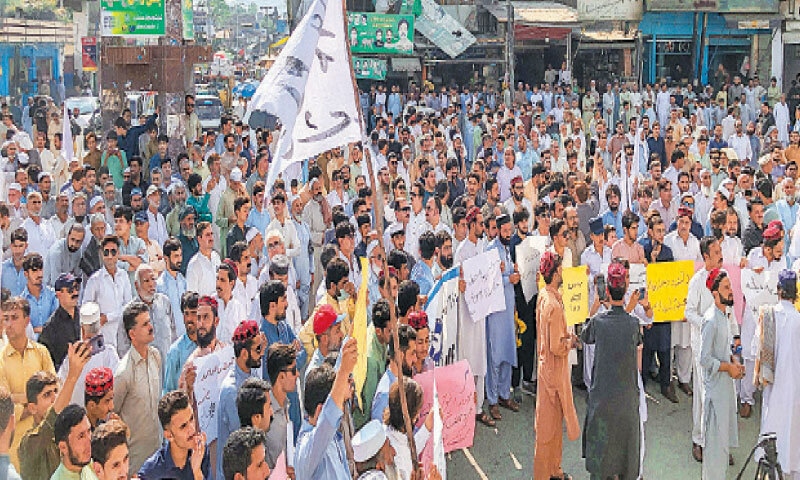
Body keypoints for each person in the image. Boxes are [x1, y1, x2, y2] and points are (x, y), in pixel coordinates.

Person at [581, 262, 642, 479]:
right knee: (625, 456)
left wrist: (594, 308)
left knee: (601, 460)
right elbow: (634, 336)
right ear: (625, 289)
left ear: (606, 290)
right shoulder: (633, 324)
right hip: (626, 401)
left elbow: (585, 336)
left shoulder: (598, 322)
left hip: (603, 400)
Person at [533, 251, 580, 480]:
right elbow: (556, 346)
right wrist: (570, 341)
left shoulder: (544, 296)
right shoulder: (553, 304)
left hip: (547, 370)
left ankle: (555, 470)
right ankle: (544, 473)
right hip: (554, 372)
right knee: (547, 430)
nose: (562, 271)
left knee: (552, 426)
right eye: (560, 268)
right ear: (554, 272)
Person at [18, 342, 91, 480]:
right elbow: (52, 419)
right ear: (32, 407)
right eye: (47, 395)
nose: (55, 398)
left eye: (56, 391)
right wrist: (72, 376)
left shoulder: (66, 435)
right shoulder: (28, 444)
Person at [700, 268, 743, 480]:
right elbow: (704, 359)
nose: (731, 291)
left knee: (722, 450)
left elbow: (724, 351)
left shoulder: (724, 316)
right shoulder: (710, 320)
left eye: (730, 286)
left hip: (726, 391)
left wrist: (734, 362)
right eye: (726, 288)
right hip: (716, 394)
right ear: (715, 293)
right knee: (714, 454)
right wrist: (728, 368)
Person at [294, 337, 358, 480]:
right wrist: (343, 371)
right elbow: (329, 416)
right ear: (320, 410)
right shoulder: (309, 447)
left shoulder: (333, 437)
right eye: (339, 406)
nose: (340, 411)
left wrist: (346, 354)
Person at [757, 269, 800, 479]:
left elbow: (758, 348)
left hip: (772, 385)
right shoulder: (798, 320)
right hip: (794, 389)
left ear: (778, 291)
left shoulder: (768, 315)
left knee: (772, 428)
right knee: (793, 433)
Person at [684, 236, 724, 462]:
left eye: (720, 250)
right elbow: (689, 312)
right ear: (706, 257)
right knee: (704, 394)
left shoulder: (723, 278)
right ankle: (699, 440)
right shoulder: (697, 281)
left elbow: (729, 309)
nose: (720, 255)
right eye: (716, 252)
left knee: (721, 394)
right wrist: (707, 324)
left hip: (721, 346)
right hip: (702, 347)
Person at [114, 301, 162, 474]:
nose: (151, 327)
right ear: (132, 334)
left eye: (149, 322)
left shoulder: (156, 356)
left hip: (158, 455)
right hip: (135, 462)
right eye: (144, 324)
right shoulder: (123, 373)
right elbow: (112, 415)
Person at [216, 320, 266, 480]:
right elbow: (243, 442)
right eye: (258, 349)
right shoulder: (231, 391)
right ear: (244, 353)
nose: (262, 353)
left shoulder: (252, 373)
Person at [484, 213, 520, 419]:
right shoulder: (490, 250)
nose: (508, 234)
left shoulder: (507, 249)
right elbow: (488, 281)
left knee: (508, 352)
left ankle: (505, 394)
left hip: (508, 309)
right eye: (504, 231)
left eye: (510, 230)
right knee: (495, 355)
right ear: (497, 230)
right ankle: (492, 399)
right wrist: (508, 279)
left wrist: (513, 273)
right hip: (496, 311)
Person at [138, 390, 210, 479]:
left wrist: (197, 472)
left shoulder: (200, 453)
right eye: (183, 426)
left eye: (191, 419)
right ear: (169, 436)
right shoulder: (150, 472)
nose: (191, 428)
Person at [38, 273, 82, 370]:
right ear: (59, 294)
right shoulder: (51, 328)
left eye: (77, 288)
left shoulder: (85, 315)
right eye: (70, 290)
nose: (75, 293)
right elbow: (45, 361)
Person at [50, 404, 97, 479]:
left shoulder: (90, 464)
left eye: (89, 431)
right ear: (63, 447)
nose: (89, 440)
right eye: (81, 436)